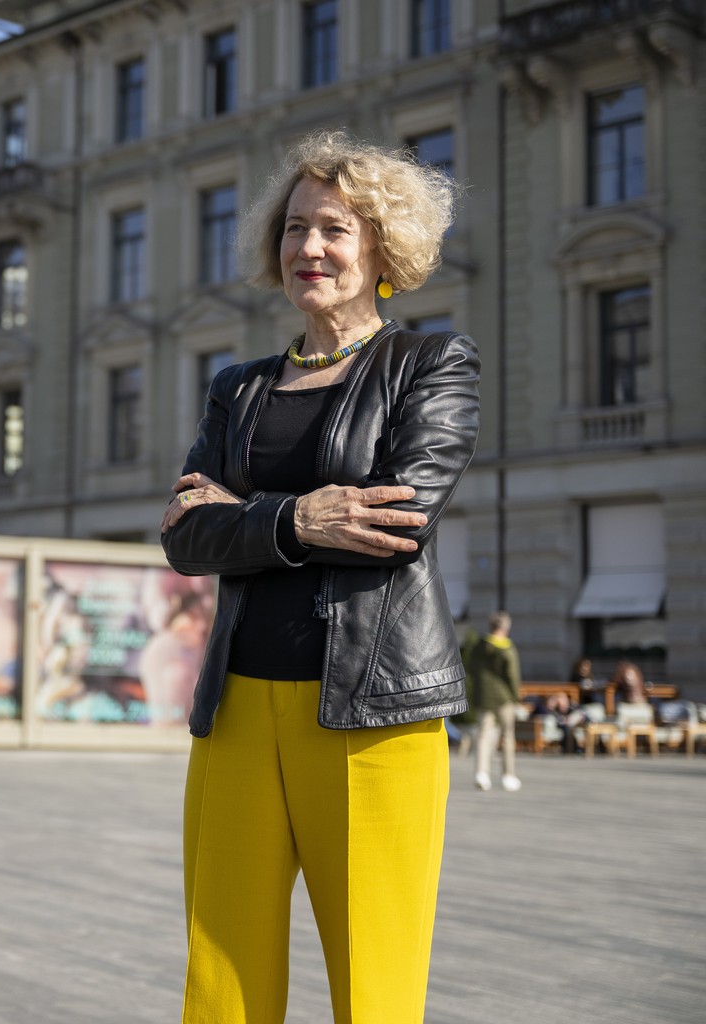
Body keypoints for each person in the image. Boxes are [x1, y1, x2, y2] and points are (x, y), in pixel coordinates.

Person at [161, 130, 475, 1024]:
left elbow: (396, 520)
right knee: (222, 976)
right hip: (236, 711)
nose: (310, 249)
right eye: (295, 228)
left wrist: (246, 516)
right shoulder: (238, 388)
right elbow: (186, 539)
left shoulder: (431, 366)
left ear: (382, 247)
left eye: (335, 228)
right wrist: (301, 519)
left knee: (374, 977)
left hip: (374, 719)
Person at [466, 611, 524, 790]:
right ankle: (508, 775)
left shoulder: (478, 647)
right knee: (507, 736)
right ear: (505, 628)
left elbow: (470, 667)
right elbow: (513, 675)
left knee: (483, 734)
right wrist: (516, 697)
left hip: (484, 695)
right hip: (504, 697)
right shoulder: (508, 648)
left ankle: (482, 773)